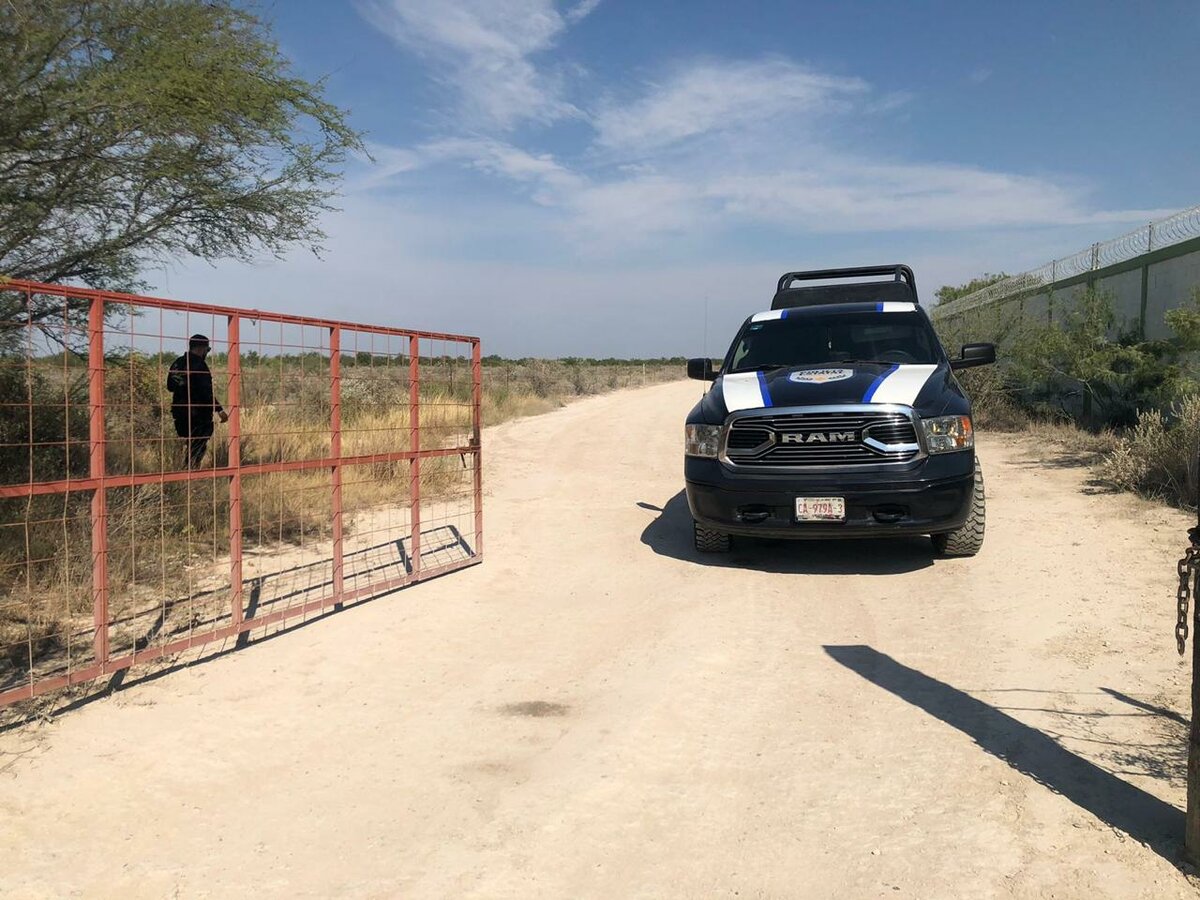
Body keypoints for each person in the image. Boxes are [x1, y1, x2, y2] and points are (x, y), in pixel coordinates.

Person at [166, 334, 229, 468]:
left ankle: (186, 468)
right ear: (201, 348)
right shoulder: (200, 365)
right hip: (198, 413)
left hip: (180, 412)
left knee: (190, 442)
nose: (207, 352)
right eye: (207, 349)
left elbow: (170, 386)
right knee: (198, 445)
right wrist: (219, 410)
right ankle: (191, 470)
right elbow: (206, 392)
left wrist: (184, 384)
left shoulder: (178, 363)